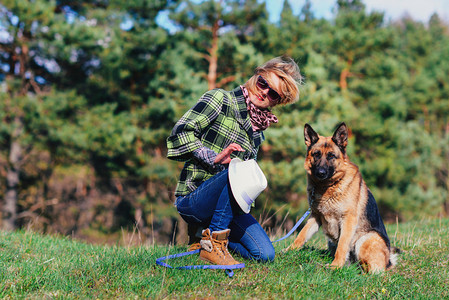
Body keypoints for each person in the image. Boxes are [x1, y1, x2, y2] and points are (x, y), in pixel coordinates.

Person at [166, 56, 303, 265]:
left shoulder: (258, 131)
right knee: (234, 174)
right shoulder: (220, 99)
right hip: (193, 200)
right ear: (257, 75)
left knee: (264, 255)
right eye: (263, 83)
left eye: (273, 93)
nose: (264, 91)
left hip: (226, 209)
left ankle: (205, 238)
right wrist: (212, 157)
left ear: (278, 102)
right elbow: (180, 133)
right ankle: (213, 245)